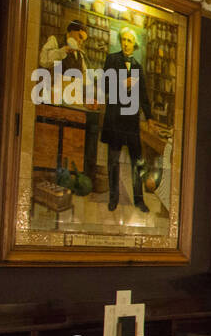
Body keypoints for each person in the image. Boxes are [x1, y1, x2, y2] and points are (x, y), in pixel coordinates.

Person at [38, 20, 100, 173]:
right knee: (54, 134)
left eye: (83, 40)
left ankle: (80, 170)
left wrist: (91, 96)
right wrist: (63, 50)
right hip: (56, 97)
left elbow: (86, 77)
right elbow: (43, 61)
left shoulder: (79, 54)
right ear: (70, 32)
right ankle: (51, 169)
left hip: (74, 99)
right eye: (79, 37)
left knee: (85, 128)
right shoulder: (55, 40)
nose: (80, 42)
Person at [101, 27, 149, 213]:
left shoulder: (138, 66)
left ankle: (139, 200)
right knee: (113, 160)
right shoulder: (112, 59)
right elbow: (104, 84)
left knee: (137, 161)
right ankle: (114, 198)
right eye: (124, 39)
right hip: (115, 119)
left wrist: (150, 116)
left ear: (134, 45)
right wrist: (122, 83)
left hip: (131, 121)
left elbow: (143, 93)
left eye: (129, 40)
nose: (126, 43)